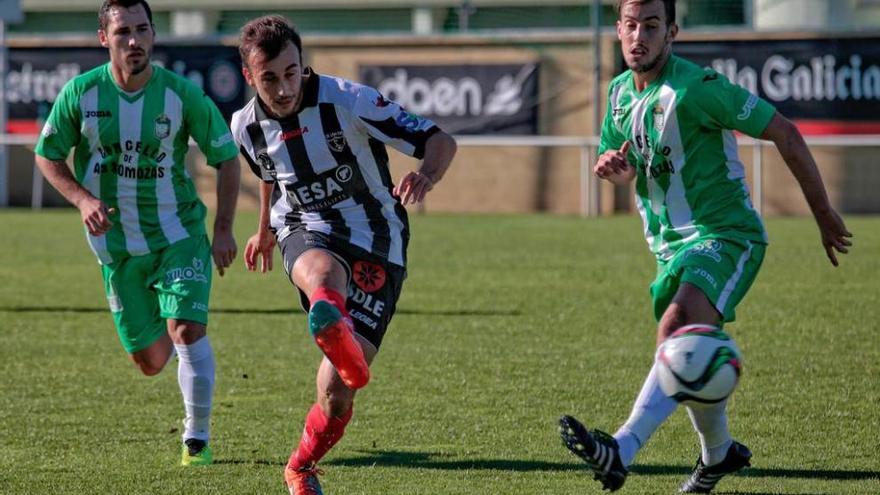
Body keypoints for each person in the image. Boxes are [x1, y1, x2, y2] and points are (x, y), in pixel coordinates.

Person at [558, 0, 852, 492]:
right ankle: (717, 455)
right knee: (685, 352)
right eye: (631, 26)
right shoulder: (617, 94)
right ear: (618, 30)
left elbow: (784, 131)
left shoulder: (697, 89)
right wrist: (614, 168)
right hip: (670, 248)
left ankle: (621, 450)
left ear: (671, 32)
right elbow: (626, 161)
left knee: (677, 330)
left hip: (727, 235)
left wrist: (822, 213)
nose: (639, 37)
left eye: (651, 26)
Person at [229, 15, 456, 495]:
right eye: (269, 78)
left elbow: (439, 139)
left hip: (378, 237)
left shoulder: (349, 101)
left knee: (336, 393)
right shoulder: (244, 127)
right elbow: (272, 172)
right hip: (305, 227)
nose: (283, 88)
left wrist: (427, 176)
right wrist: (264, 229)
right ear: (249, 76)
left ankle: (300, 465)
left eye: (291, 73)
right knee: (320, 271)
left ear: (303, 64)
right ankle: (330, 314)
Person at [33, 0, 241, 467]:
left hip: (179, 233)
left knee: (187, 329)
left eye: (142, 29)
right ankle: (174, 346)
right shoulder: (81, 94)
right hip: (117, 246)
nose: (134, 40)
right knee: (149, 362)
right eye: (123, 31)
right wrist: (84, 199)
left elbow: (227, 156)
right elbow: (47, 154)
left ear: (153, 34)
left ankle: (197, 439)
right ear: (104, 38)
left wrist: (223, 230)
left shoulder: (181, 95)